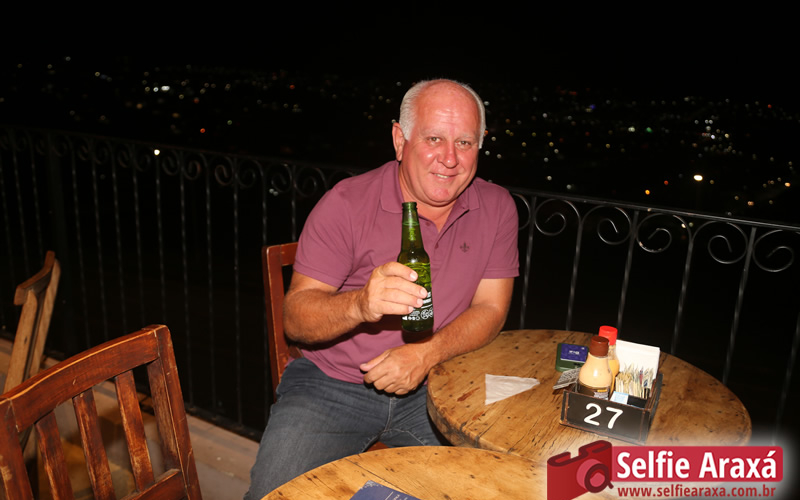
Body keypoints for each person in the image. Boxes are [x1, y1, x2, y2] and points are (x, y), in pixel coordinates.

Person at [244, 78, 519, 498]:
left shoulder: (497, 207)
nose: (450, 159)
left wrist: (426, 354)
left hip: (440, 383)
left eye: (465, 143)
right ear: (399, 139)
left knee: (500, 487)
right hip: (332, 386)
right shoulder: (346, 203)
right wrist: (360, 305)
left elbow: (492, 309)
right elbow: (295, 320)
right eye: (433, 138)